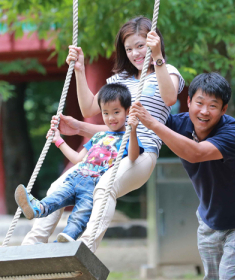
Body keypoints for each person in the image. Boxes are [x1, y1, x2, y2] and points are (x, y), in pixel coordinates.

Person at [21, 16, 184, 251]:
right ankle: (31, 246)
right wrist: (80, 71)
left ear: (153, 42)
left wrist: (157, 55)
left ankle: (86, 246)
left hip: (139, 151)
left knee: (105, 186)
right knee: (58, 186)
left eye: (140, 46)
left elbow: (169, 98)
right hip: (105, 150)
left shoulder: (167, 70)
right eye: (129, 49)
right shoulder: (120, 79)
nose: (135, 53)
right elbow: (90, 110)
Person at [130, 72, 235, 280]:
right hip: (210, 219)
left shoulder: (234, 133)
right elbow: (124, 129)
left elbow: (195, 153)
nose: (204, 111)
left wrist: (153, 124)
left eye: (213, 106)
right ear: (188, 102)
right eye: (199, 103)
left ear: (224, 109)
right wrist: (79, 127)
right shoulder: (178, 125)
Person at [16, 83, 143, 243]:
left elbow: (133, 157)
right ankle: (38, 208)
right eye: (106, 113)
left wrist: (133, 130)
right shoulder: (98, 137)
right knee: (57, 197)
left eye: (116, 112)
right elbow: (78, 159)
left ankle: (67, 238)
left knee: (81, 213)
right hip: (76, 176)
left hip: (94, 184)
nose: (111, 118)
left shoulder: (128, 138)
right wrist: (58, 141)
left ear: (128, 111)